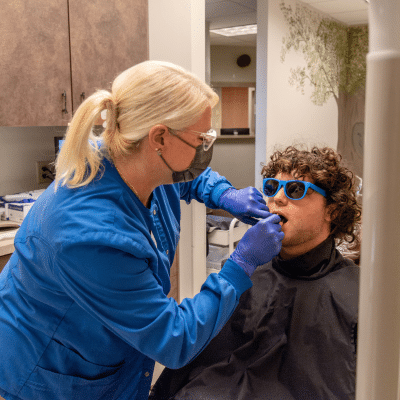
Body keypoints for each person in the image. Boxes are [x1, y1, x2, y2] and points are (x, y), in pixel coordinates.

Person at [0, 61, 284, 400]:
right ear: (160, 137)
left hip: (112, 354)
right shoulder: (90, 236)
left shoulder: (141, 160)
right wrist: (241, 262)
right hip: (52, 373)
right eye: (202, 139)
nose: (207, 147)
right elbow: (174, 339)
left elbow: (190, 176)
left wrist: (222, 193)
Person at [149, 145, 362, 400]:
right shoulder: (246, 274)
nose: (278, 198)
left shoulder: (358, 294)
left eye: (295, 189)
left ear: (333, 210)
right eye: (271, 187)